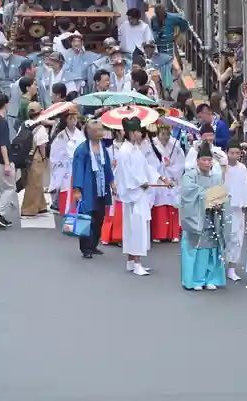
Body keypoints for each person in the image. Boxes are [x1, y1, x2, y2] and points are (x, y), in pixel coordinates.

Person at [115, 117, 173, 276]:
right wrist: (141, 183)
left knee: (136, 227)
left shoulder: (135, 149)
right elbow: (126, 174)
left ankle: (132, 261)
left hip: (139, 193)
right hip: (134, 193)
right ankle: (136, 262)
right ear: (131, 133)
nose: (141, 134)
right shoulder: (125, 151)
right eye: (138, 131)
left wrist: (161, 178)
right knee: (136, 228)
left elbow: (146, 167)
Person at [180, 141, 227, 291]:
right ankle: (195, 280)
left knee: (212, 248)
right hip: (196, 217)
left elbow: (222, 193)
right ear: (197, 161)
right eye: (204, 160)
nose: (208, 163)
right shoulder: (190, 176)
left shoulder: (216, 177)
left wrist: (219, 203)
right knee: (198, 249)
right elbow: (188, 193)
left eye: (209, 160)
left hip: (212, 217)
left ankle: (211, 278)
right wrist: (207, 197)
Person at [72, 119, 116, 259]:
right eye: (97, 130)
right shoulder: (82, 150)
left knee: (99, 217)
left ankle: (93, 244)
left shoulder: (102, 147)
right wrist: (77, 190)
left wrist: (112, 183)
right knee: (86, 218)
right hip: (88, 188)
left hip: (101, 188)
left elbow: (107, 167)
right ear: (89, 133)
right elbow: (78, 170)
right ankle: (85, 248)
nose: (101, 133)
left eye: (101, 130)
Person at [150, 124, 185, 243]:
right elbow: (150, 163)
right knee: (159, 205)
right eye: (162, 134)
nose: (165, 137)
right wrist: (161, 167)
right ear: (157, 133)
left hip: (172, 176)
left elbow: (181, 163)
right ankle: (158, 233)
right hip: (159, 178)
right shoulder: (152, 144)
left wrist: (171, 168)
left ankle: (173, 233)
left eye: (168, 134)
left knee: (172, 204)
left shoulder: (176, 144)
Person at [225, 140, 247, 281]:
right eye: (232, 153)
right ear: (226, 153)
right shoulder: (222, 167)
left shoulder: (242, 168)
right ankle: (219, 266)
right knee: (224, 237)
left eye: (237, 153)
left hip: (237, 207)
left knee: (236, 238)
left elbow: (245, 185)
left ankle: (232, 268)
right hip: (224, 206)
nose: (234, 156)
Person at [49, 106, 85, 215]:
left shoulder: (81, 134)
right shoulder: (60, 136)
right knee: (65, 189)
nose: (73, 121)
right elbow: (55, 154)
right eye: (70, 118)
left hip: (77, 166)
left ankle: (77, 210)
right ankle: (66, 211)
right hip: (65, 167)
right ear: (66, 120)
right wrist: (65, 155)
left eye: (75, 118)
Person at [21, 102, 49, 217]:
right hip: (36, 157)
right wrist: (44, 157)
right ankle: (28, 209)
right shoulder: (40, 128)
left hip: (25, 157)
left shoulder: (24, 124)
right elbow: (42, 146)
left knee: (34, 182)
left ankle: (41, 206)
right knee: (34, 184)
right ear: (41, 112)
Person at [0, 93, 14, 228]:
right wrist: (7, 163)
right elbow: (3, 144)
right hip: (1, 160)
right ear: (6, 105)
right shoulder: (1, 122)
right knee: (10, 187)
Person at [8, 59, 36, 139]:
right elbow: (19, 104)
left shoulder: (31, 82)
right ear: (27, 70)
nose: (35, 69)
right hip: (16, 118)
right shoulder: (18, 85)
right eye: (33, 67)